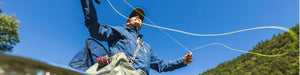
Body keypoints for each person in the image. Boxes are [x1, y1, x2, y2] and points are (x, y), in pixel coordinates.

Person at [80, 0, 193, 74]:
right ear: (127, 23)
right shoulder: (119, 31)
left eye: (140, 17)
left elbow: (161, 65)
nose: (138, 16)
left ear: (142, 25)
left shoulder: (147, 47)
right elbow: (96, 30)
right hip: (121, 71)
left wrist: (182, 61)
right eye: (134, 15)